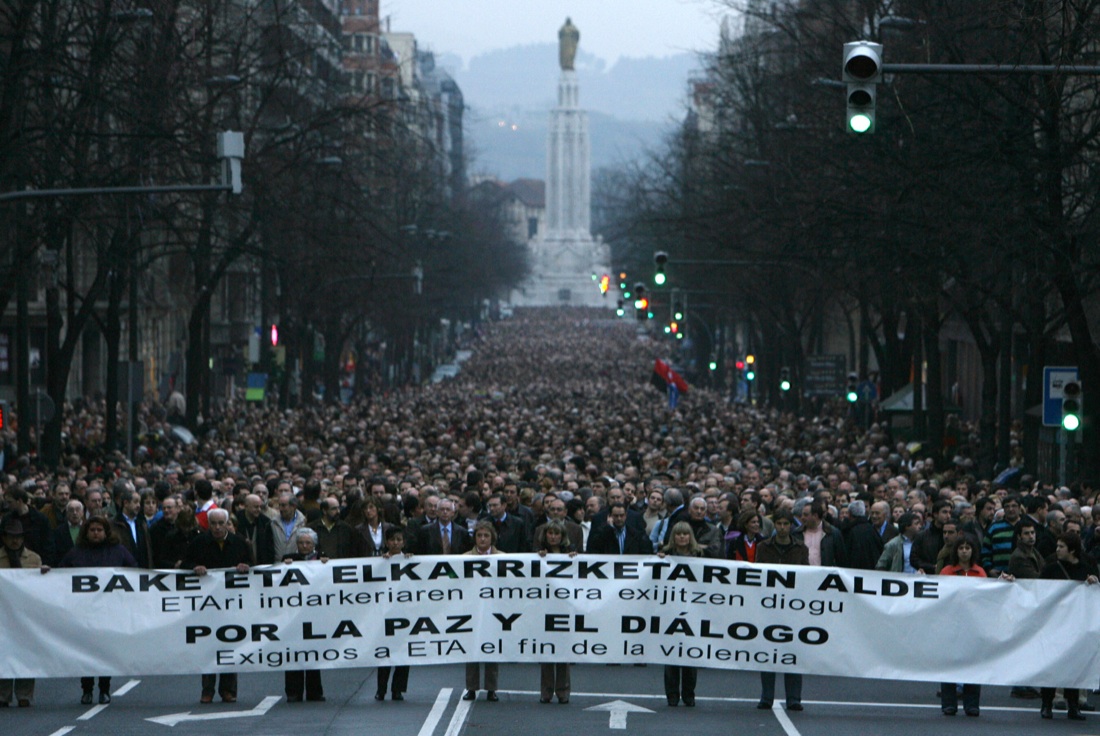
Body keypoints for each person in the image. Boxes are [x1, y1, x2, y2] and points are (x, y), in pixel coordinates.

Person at [58, 517, 138, 704]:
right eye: (92, 530)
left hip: (109, 612)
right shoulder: (76, 553)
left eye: (99, 530)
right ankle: (86, 689)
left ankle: (104, 688)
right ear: (86, 532)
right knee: (85, 652)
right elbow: (60, 575)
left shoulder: (118, 551)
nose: (95, 533)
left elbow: (134, 570)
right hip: (83, 612)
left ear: (106, 532)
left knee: (105, 652)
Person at [182, 508, 252, 704]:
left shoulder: (239, 543)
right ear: (208, 524)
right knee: (209, 647)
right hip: (207, 606)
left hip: (233, 604)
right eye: (214, 523)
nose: (218, 527)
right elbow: (184, 564)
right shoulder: (198, 543)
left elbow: (253, 564)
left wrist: (245, 566)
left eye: (222, 523)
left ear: (227, 523)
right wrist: (194, 568)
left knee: (230, 645)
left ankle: (228, 690)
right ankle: (207, 690)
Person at [1038, 532, 1099, 721]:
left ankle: (1073, 705)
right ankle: (1046, 704)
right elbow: (1038, 591)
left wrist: (1095, 583)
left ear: (1072, 550)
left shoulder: (1087, 570)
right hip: (1054, 624)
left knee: (1074, 665)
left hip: (1076, 626)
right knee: (1051, 665)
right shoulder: (1050, 569)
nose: (1057, 550)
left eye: (1061, 547)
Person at [756, 509, 806, 711]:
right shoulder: (764, 547)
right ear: (774, 525)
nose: (783, 527)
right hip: (769, 604)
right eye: (780, 524)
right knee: (768, 651)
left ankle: (794, 698)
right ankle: (766, 696)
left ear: (791, 526)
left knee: (792, 651)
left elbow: (807, 575)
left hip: (793, 606)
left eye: (786, 524)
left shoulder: (800, 548)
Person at [0, 520, 48, 707]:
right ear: (4, 538)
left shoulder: (34, 559)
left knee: (27, 652)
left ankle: (24, 694)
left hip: (27, 614)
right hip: (3, 613)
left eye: (18, 537)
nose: (14, 541)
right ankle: (3, 694)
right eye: (11, 537)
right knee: (4, 652)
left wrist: (45, 574)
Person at [938, 535, 986, 715]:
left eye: (968, 548)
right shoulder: (947, 571)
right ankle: (948, 703)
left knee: (973, 663)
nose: (964, 551)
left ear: (973, 551)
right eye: (961, 548)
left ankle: (972, 704)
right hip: (951, 623)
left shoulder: (980, 572)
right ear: (956, 551)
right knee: (949, 663)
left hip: (973, 625)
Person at [658, 521, 703, 706]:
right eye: (678, 534)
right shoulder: (665, 555)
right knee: (671, 654)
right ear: (673, 537)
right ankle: (672, 694)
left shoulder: (700, 555)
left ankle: (689, 694)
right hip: (670, 609)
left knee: (691, 653)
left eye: (685, 534)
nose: (682, 537)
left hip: (694, 609)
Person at [282, 528, 326, 703]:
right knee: (293, 651)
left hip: (314, 611)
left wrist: (326, 563)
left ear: (314, 544)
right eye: (301, 543)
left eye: (308, 543)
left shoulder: (323, 557)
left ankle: (315, 691)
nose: (304, 546)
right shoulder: (288, 559)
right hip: (293, 612)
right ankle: (293, 691)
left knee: (313, 652)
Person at [536, 520, 576, 704]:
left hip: (564, 607)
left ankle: (563, 690)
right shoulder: (538, 555)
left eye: (556, 534)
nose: (553, 537)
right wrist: (539, 557)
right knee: (546, 651)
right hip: (544, 607)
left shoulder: (571, 554)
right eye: (550, 533)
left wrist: (574, 559)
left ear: (562, 536)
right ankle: (546, 690)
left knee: (563, 651)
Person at [463, 521, 501, 702]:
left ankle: (491, 688)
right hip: (472, 608)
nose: (483, 539)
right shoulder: (463, 558)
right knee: (472, 649)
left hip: (494, 608)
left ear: (492, 537)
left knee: (492, 648)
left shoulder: (503, 557)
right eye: (479, 535)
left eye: (486, 535)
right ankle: (471, 687)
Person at [376, 527, 413, 701]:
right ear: (387, 542)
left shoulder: (410, 560)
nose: (396, 543)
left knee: (403, 652)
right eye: (392, 540)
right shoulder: (379, 561)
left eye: (399, 540)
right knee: (384, 653)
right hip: (384, 614)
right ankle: (381, 690)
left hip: (405, 613)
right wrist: (381, 563)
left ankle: (398, 689)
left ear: (403, 542)